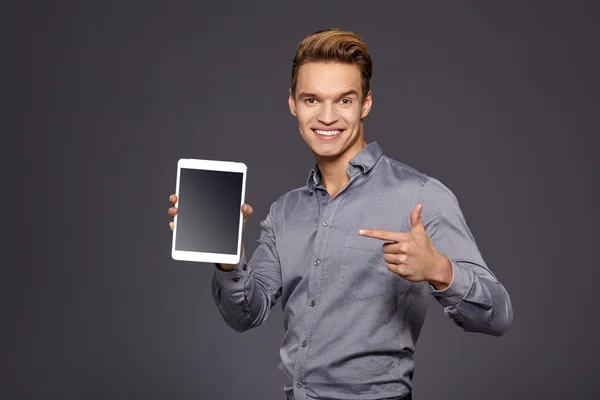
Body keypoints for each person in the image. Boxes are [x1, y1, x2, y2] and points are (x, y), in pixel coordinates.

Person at [167, 29, 513, 400]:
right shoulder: (286, 211)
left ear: (365, 104)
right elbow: (246, 315)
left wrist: (439, 270)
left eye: (344, 100)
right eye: (312, 99)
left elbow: (499, 315)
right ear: (293, 104)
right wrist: (227, 257)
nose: (327, 117)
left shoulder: (420, 196)